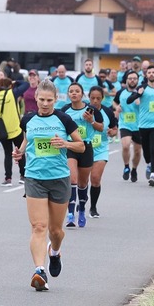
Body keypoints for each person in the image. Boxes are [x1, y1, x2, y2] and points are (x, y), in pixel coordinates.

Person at [12, 79, 85, 291]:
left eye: (49, 100)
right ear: (35, 98)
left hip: (59, 178)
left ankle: (54, 252)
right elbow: (28, 140)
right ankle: (39, 270)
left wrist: (66, 144)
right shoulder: (28, 119)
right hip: (34, 177)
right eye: (42, 99)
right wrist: (20, 151)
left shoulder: (64, 119)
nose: (45, 104)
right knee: (38, 227)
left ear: (55, 99)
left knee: (55, 231)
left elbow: (81, 146)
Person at [60, 83, 101, 228]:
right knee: (73, 179)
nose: (74, 93)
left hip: (86, 147)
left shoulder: (92, 110)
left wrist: (91, 121)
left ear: (82, 94)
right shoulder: (64, 110)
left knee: (83, 183)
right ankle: (70, 214)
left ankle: (82, 209)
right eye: (71, 91)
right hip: (71, 146)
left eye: (77, 91)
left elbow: (101, 127)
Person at [126, 65, 154, 187]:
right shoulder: (142, 88)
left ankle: (153, 175)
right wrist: (137, 94)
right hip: (143, 124)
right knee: (146, 152)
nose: (151, 74)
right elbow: (129, 100)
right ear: (146, 75)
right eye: (149, 72)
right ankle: (149, 164)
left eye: (153, 72)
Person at [85, 86, 118, 218]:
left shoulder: (108, 112)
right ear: (89, 98)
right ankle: (81, 201)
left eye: (98, 98)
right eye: (92, 98)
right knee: (80, 181)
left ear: (102, 99)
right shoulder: (83, 111)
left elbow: (115, 129)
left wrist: (112, 132)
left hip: (101, 149)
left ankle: (93, 207)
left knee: (95, 178)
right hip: (84, 149)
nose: (95, 101)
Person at [0, 75, 24, 185]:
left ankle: (8, 178)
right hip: (15, 129)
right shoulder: (12, 93)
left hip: (3, 130)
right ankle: (23, 176)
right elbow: (26, 84)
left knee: (7, 154)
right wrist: (16, 81)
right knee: (20, 152)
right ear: (10, 85)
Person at [115, 70, 143, 182]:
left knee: (137, 151)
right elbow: (115, 102)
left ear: (137, 80)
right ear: (126, 80)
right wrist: (117, 107)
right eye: (130, 78)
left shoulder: (142, 93)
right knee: (125, 146)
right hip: (125, 124)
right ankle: (126, 167)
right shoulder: (121, 92)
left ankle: (134, 169)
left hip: (139, 126)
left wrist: (140, 103)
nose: (132, 80)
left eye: (134, 78)